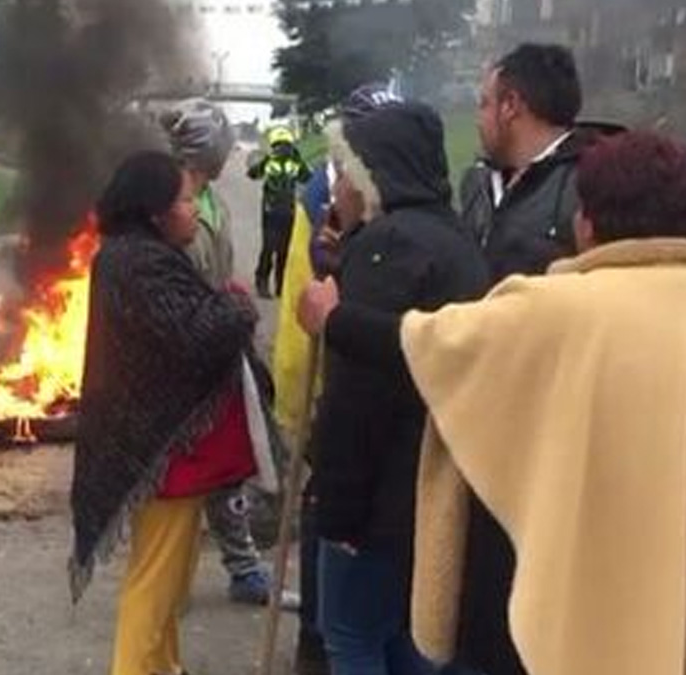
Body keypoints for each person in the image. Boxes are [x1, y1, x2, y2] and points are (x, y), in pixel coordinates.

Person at [298, 130, 686, 675]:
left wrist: (333, 319)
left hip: (594, 626)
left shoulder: (559, 311)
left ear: (587, 220)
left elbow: (429, 345)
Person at [69, 151, 277, 675]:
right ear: (156, 211)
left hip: (166, 456)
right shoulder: (140, 262)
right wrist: (237, 304)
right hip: (163, 456)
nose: (196, 212)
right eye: (186, 200)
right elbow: (198, 337)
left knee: (168, 583)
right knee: (155, 586)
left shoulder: (136, 254)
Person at [309, 101, 490, 675]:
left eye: (344, 171)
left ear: (372, 177)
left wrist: (336, 515)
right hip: (436, 494)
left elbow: (357, 402)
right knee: (411, 641)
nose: (335, 187)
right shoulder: (454, 238)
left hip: (380, 498)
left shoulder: (387, 250)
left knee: (352, 637)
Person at [268, 83, 406, 675]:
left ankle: (324, 647)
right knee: (334, 531)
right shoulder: (322, 198)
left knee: (345, 538)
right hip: (345, 397)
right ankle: (314, 647)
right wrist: (298, 401)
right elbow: (301, 307)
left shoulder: (365, 200)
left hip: (361, 399)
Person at [160, 98, 292, 609]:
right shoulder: (169, 200)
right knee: (181, 468)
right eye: (222, 141)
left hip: (221, 344)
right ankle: (170, 572)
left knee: (229, 462)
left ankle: (243, 568)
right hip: (189, 351)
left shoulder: (211, 199)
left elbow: (219, 267)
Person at [459, 42, 621, 282]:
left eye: (484, 104)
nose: (477, 120)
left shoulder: (591, 185)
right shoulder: (477, 184)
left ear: (510, 106)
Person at [248, 126, 311, 298]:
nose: (282, 149)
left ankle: (272, 284)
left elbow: (252, 173)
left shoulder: (280, 160)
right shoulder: (286, 160)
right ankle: (271, 283)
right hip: (279, 209)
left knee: (276, 248)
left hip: (278, 209)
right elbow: (307, 177)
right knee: (276, 248)